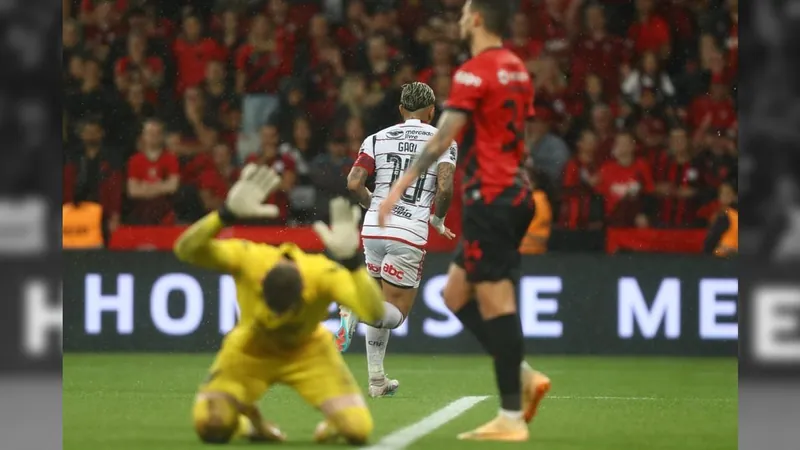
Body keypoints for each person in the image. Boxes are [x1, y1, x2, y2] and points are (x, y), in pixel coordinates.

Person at [377, 0, 550, 442]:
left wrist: (398, 188)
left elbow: (442, 139)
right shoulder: (517, 68)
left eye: (462, 12)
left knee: (496, 302)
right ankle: (524, 374)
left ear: (475, 19)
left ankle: (511, 417)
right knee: (455, 294)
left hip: (491, 197)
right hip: (514, 191)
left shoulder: (474, 71)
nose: (457, 20)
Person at [174, 164, 385, 446]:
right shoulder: (249, 260)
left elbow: (374, 312)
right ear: (260, 285)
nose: (278, 318)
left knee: (357, 432)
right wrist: (224, 215)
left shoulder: (322, 274)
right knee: (211, 428)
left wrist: (352, 263)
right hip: (249, 350)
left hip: (309, 352)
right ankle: (253, 423)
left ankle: (332, 421)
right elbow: (185, 250)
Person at [340, 81, 458, 397]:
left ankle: (376, 380)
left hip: (373, 229)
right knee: (396, 313)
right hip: (408, 232)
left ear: (401, 110)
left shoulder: (376, 138)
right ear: (432, 112)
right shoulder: (443, 140)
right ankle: (354, 307)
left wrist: (370, 202)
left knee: (380, 304)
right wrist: (438, 218)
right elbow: (445, 188)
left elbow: (353, 183)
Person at [704, 180, 738, 257]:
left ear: (735, 196)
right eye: (722, 193)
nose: (724, 196)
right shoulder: (722, 214)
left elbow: (710, 244)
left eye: (728, 193)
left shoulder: (726, 216)